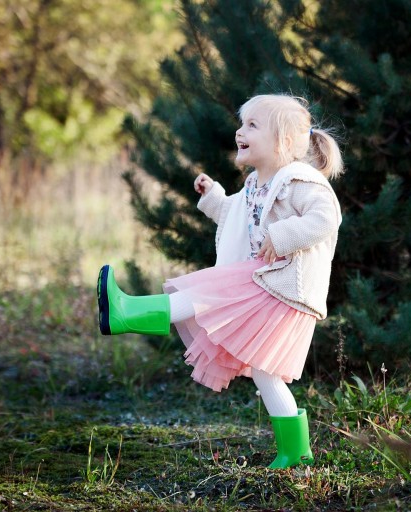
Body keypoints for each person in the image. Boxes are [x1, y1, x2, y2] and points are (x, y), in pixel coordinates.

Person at [97, 94, 343, 469]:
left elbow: (326, 218)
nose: (239, 132)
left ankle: (126, 312)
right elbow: (236, 217)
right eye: (241, 124)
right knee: (266, 375)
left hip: (284, 287)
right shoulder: (255, 184)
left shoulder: (301, 181)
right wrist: (213, 197)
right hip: (263, 280)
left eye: (252, 126)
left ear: (282, 141)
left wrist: (284, 235)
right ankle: (296, 454)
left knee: (205, 294)